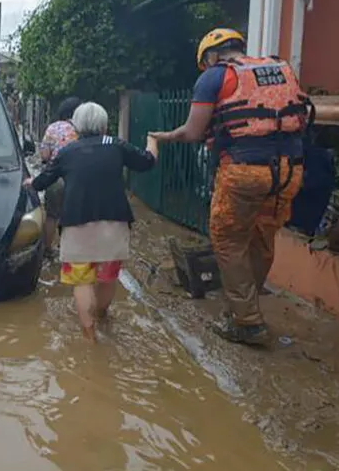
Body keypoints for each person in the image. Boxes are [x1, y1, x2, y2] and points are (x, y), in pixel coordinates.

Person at [148, 28, 313, 346]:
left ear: (211, 56)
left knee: (229, 241)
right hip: (290, 170)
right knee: (262, 238)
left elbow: (193, 132)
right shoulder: (281, 68)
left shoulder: (214, 77)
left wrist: (163, 136)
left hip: (244, 170)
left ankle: (247, 322)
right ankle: (245, 307)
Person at [26, 102, 159, 340]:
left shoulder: (68, 151)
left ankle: (89, 336)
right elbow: (147, 161)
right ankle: (102, 317)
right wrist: (153, 141)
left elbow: (43, 181)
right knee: (107, 276)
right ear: (104, 125)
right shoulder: (117, 146)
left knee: (81, 281)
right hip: (115, 223)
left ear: (77, 126)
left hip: (76, 223)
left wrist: (29, 184)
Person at [37, 97, 83, 258]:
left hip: (54, 178)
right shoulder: (83, 129)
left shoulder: (53, 128)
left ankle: (47, 249)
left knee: (51, 215)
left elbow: (44, 155)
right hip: (77, 179)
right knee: (73, 216)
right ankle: (67, 250)